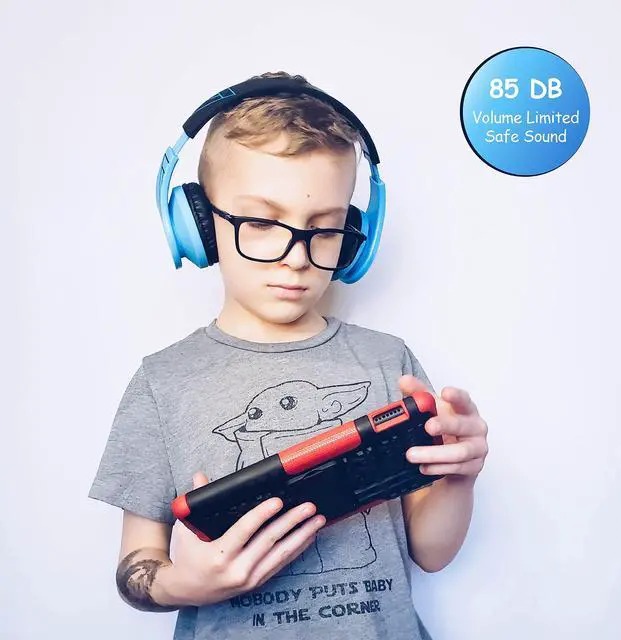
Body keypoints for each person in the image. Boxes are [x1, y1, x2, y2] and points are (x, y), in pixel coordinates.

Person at [89, 70, 489, 640]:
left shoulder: (387, 360)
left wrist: (459, 479)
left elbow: (431, 551)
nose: (296, 257)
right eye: (259, 222)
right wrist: (182, 584)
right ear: (198, 225)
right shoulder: (162, 382)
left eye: (325, 229)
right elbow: (137, 567)